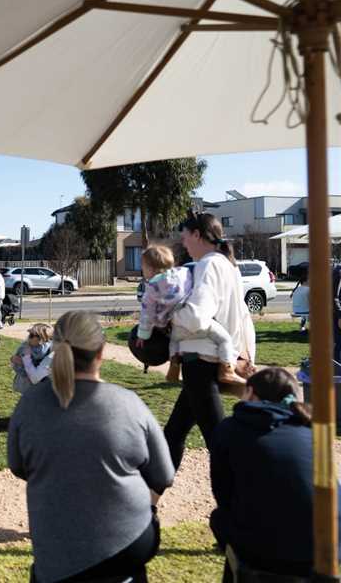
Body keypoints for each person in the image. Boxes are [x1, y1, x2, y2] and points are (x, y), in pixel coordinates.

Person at [8, 311, 174, 582]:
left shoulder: (30, 405)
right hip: (125, 544)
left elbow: (18, 466)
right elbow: (164, 475)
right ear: (101, 352)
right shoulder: (127, 403)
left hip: (56, 550)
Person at [210, 368, 340, 579]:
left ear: (250, 392)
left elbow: (223, 495)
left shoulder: (232, 427)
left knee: (220, 519)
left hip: (268, 553)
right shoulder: (314, 429)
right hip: (328, 546)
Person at [164, 211, 256, 472]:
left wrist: (169, 316)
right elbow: (244, 316)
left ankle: (244, 503)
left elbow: (195, 317)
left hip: (201, 363)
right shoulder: (229, 265)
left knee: (217, 441)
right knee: (174, 433)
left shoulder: (208, 264)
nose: (183, 243)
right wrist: (245, 356)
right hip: (210, 362)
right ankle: (149, 504)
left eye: (185, 237)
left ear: (197, 234)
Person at [137, 245, 243, 385]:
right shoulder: (184, 273)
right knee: (224, 339)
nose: (142, 270)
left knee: (174, 343)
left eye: (143, 267)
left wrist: (142, 335)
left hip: (176, 326)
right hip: (193, 316)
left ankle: (174, 367)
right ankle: (227, 368)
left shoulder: (151, 289)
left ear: (150, 268)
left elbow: (147, 314)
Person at [10, 323, 54, 394]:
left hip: (38, 385)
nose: (29, 337)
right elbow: (15, 361)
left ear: (43, 339)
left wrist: (22, 362)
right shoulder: (26, 347)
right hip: (25, 383)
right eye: (30, 335)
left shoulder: (50, 350)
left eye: (31, 335)